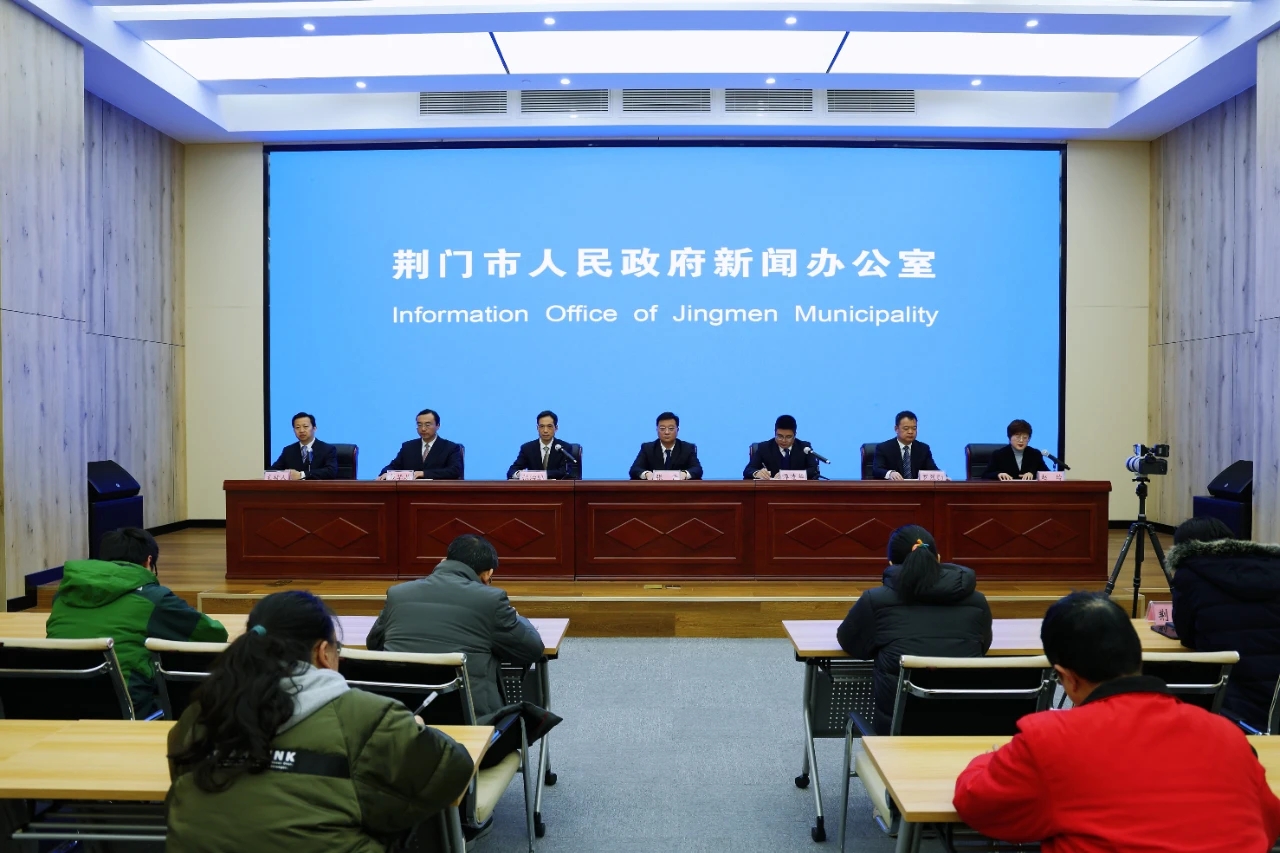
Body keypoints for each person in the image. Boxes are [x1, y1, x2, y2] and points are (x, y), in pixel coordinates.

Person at [954, 592, 1280, 852]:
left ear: (1066, 678)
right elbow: (1266, 824)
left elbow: (977, 804)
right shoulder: (1227, 734)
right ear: (1138, 658)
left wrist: (989, 759)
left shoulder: (1050, 739)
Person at [166, 590, 474, 853]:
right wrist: (415, 728)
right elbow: (451, 770)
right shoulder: (368, 717)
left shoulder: (200, 713)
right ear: (323, 652)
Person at [46, 528, 228, 719]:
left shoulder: (63, 595)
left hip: (56, 708)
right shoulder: (154, 599)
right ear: (149, 561)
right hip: (125, 712)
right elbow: (214, 635)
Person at [367, 534, 544, 720]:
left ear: (443, 561)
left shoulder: (398, 595)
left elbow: (374, 644)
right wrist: (517, 617)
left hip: (404, 718)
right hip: (472, 723)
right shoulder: (491, 601)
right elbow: (532, 649)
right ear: (487, 574)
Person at [835, 525, 992, 734]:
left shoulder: (875, 601)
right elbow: (982, 647)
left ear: (891, 564)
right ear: (938, 559)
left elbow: (851, 644)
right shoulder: (978, 603)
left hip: (898, 737)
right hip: (965, 733)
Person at [1170, 516, 1280, 731]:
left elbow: (1186, 635)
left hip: (1231, 703)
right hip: (1274, 697)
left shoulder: (1189, 574)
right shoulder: (1274, 566)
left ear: (1183, 549)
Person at [378, 408, 463, 480]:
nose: (423, 429)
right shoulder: (408, 447)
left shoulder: (450, 447)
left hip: (438, 491)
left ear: (438, 426)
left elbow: (455, 471)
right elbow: (393, 466)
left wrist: (423, 474)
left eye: (427, 425)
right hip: (411, 491)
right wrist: (387, 474)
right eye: (419, 425)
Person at [506, 410, 580, 480]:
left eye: (549, 426)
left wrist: (540, 475)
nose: (545, 430)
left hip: (557, 488)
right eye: (542, 426)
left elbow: (564, 472)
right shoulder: (527, 448)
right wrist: (519, 474)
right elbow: (512, 471)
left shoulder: (564, 448)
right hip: (534, 488)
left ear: (556, 428)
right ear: (537, 428)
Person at [628, 411, 703, 480]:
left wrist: (684, 474)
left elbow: (697, 469)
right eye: (662, 428)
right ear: (657, 430)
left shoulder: (687, 448)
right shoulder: (647, 448)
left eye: (671, 428)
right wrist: (646, 474)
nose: (666, 432)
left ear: (677, 430)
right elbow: (634, 469)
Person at [743, 414, 820, 480]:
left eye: (788, 437)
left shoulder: (804, 448)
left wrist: (788, 475)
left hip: (798, 490)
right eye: (780, 436)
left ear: (795, 435)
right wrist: (757, 473)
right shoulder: (764, 448)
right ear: (775, 432)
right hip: (771, 490)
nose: (783, 440)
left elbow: (814, 470)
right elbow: (748, 470)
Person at [269, 411, 338, 480]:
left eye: (305, 426)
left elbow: (331, 471)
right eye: (297, 427)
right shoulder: (288, 450)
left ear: (314, 428)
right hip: (295, 487)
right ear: (294, 430)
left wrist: (302, 475)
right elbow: (272, 472)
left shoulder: (327, 449)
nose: (301, 430)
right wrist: (286, 474)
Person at [871, 410, 939, 480]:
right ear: (896, 429)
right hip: (893, 486)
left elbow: (933, 470)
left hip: (917, 486)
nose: (910, 432)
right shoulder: (884, 448)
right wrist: (890, 473)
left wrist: (942, 477)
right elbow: (877, 470)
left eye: (914, 428)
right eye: (906, 428)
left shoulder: (923, 449)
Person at [982, 418, 1049, 481]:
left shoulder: (1035, 454)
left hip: (1029, 488)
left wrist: (1034, 474)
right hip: (1007, 488)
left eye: (1025, 437)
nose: (1021, 440)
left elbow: (1048, 474)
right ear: (1010, 437)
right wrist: (998, 474)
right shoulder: (999, 455)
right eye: (1018, 437)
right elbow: (985, 475)